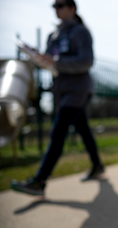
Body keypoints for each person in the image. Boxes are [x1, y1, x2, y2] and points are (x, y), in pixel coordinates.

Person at [11, 0, 104, 196]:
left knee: (58, 131)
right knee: (84, 130)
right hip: (61, 91)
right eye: (54, 6)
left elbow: (86, 61)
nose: (56, 9)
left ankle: (39, 181)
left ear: (73, 8)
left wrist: (57, 61)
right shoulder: (53, 36)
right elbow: (51, 64)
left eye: (61, 5)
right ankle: (97, 166)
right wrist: (37, 58)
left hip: (78, 90)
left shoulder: (81, 32)